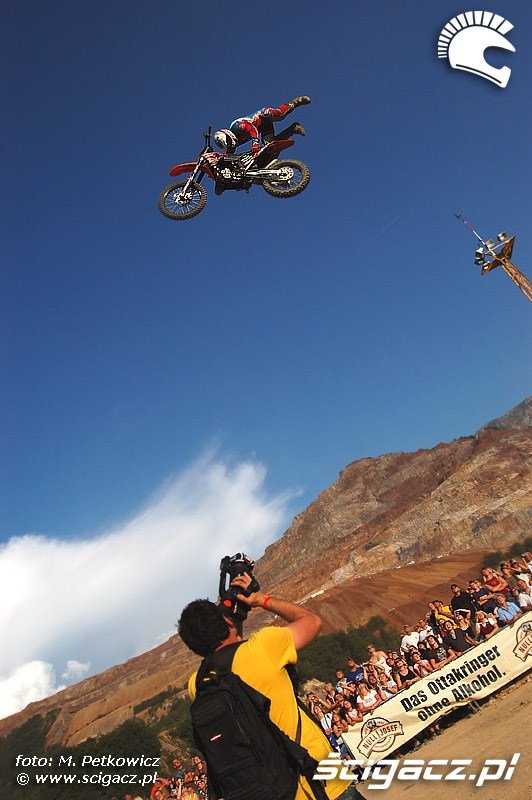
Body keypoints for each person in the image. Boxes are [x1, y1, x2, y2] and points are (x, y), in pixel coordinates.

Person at [178, 573, 366, 800]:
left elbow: (228, 656)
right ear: (226, 623)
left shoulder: (198, 684)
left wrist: (232, 621)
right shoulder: (264, 647)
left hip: (270, 792)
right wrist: (261, 599)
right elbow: (312, 622)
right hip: (322, 785)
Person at [214, 96, 311, 154]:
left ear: (227, 134)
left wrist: (255, 143)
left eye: (228, 142)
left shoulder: (236, 126)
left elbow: (252, 129)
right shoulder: (233, 143)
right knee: (271, 145)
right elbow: (228, 156)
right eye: (229, 144)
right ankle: (293, 129)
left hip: (262, 116)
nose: (231, 144)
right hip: (263, 127)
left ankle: (297, 101)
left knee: (280, 115)